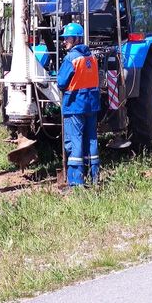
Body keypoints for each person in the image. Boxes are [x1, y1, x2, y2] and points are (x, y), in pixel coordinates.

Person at [57, 22, 100, 187]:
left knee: (74, 141)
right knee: (91, 140)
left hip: (75, 105)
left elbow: (61, 82)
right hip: (91, 105)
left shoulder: (71, 58)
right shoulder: (92, 57)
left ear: (76, 39)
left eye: (67, 38)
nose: (64, 41)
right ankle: (93, 177)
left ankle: (76, 182)